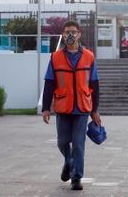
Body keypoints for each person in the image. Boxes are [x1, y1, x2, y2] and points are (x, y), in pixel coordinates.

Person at [42, 20, 101, 191]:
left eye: (73, 32)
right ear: (63, 34)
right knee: (62, 142)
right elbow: (49, 83)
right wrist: (46, 108)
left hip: (82, 108)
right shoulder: (56, 57)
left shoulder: (89, 56)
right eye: (67, 32)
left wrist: (95, 110)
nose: (70, 35)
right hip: (63, 106)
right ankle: (69, 162)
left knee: (78, 143)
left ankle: (76, 178)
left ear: (79, 34)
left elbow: (95, 84)